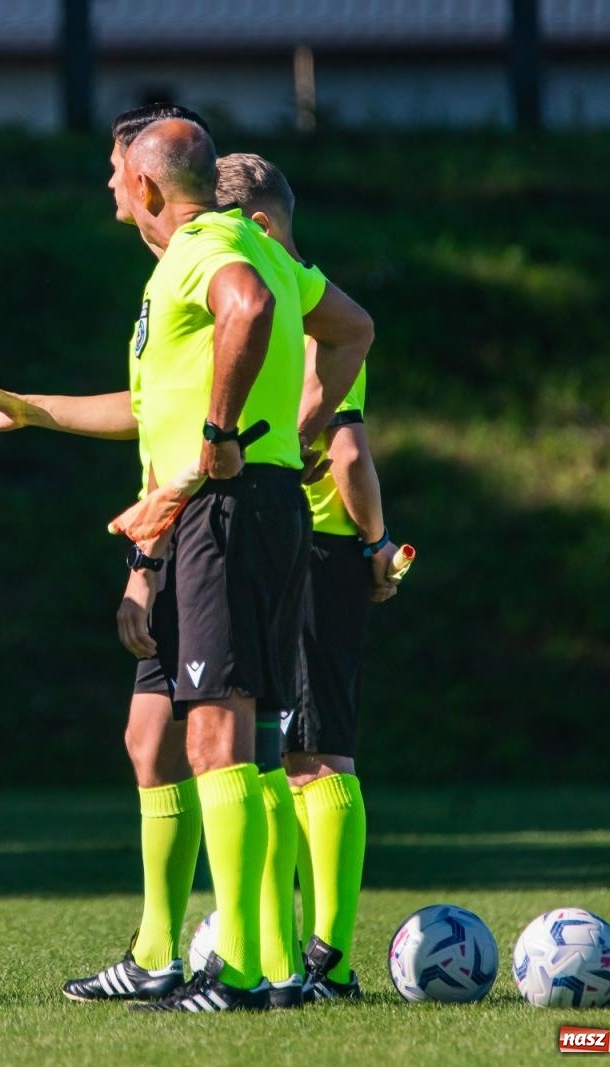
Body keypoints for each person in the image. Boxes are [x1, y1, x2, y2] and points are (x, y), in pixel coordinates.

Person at [0, 111, 372, 1009]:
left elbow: (247, 307)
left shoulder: (210, 246)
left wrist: (226, 441)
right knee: (198, 733)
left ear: (144, 185)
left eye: (112, 173)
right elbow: (351, 330)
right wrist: (30, 410)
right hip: (228, 509)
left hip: (226, 509)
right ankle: (255, 965)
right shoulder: (218, 253)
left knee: (219, 729)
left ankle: (246, 969)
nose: (105, 188)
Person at [215, 153, 399, 1002]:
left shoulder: (296, 310)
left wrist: (370, 542)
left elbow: (348, 450)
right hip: (315, 547)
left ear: (256, 224)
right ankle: (300, 946)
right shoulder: (306, 306)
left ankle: (323, 954)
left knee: (311, 756)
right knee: (297, 752)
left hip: (312, 547)